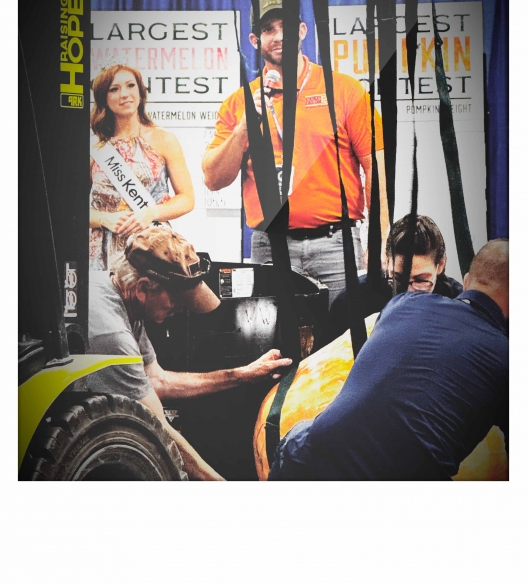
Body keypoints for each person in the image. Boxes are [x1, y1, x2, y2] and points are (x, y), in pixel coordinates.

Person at [202, 0, 389, 305]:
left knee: (342, 340)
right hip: (270, 245)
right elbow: (213, 178)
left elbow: (377, 167)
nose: (278, 37)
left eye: (285, 26)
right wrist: (244, 128)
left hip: (335, 244)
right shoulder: (239, 103)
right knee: (275, 344)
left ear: (302, 30)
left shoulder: (344, 90)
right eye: (268, 30)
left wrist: (378, 237)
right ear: (254, 40)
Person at [268, 239, 509, 481]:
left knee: (302, 432)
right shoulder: (505, 356)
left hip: (305, 463)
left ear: (466, 281)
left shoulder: (402, 303)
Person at [87, 224, 292, 481]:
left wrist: (242, 374)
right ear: (143, 288)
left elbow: (157, 380)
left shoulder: (121, 295)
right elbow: (159, 430)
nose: (182, 310)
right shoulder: (111, 334)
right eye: (177, 300)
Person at [89, 63, 195, 270]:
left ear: (140, 92)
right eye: (114, 89)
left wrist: (150, 213)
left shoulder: (163, 140)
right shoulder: (94, 147)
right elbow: (70, 210)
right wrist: (105, 218)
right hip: (100, 255)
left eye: (130, 86)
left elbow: (187, 198)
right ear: (104, 97)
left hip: (151, 249)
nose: (125, 94)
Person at [330, 214, 463, 338]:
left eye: (420, 280)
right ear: (387, 262)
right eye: (398, 279)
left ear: (440, 265)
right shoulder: (353, 300)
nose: (408, 292)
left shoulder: (457, 304)